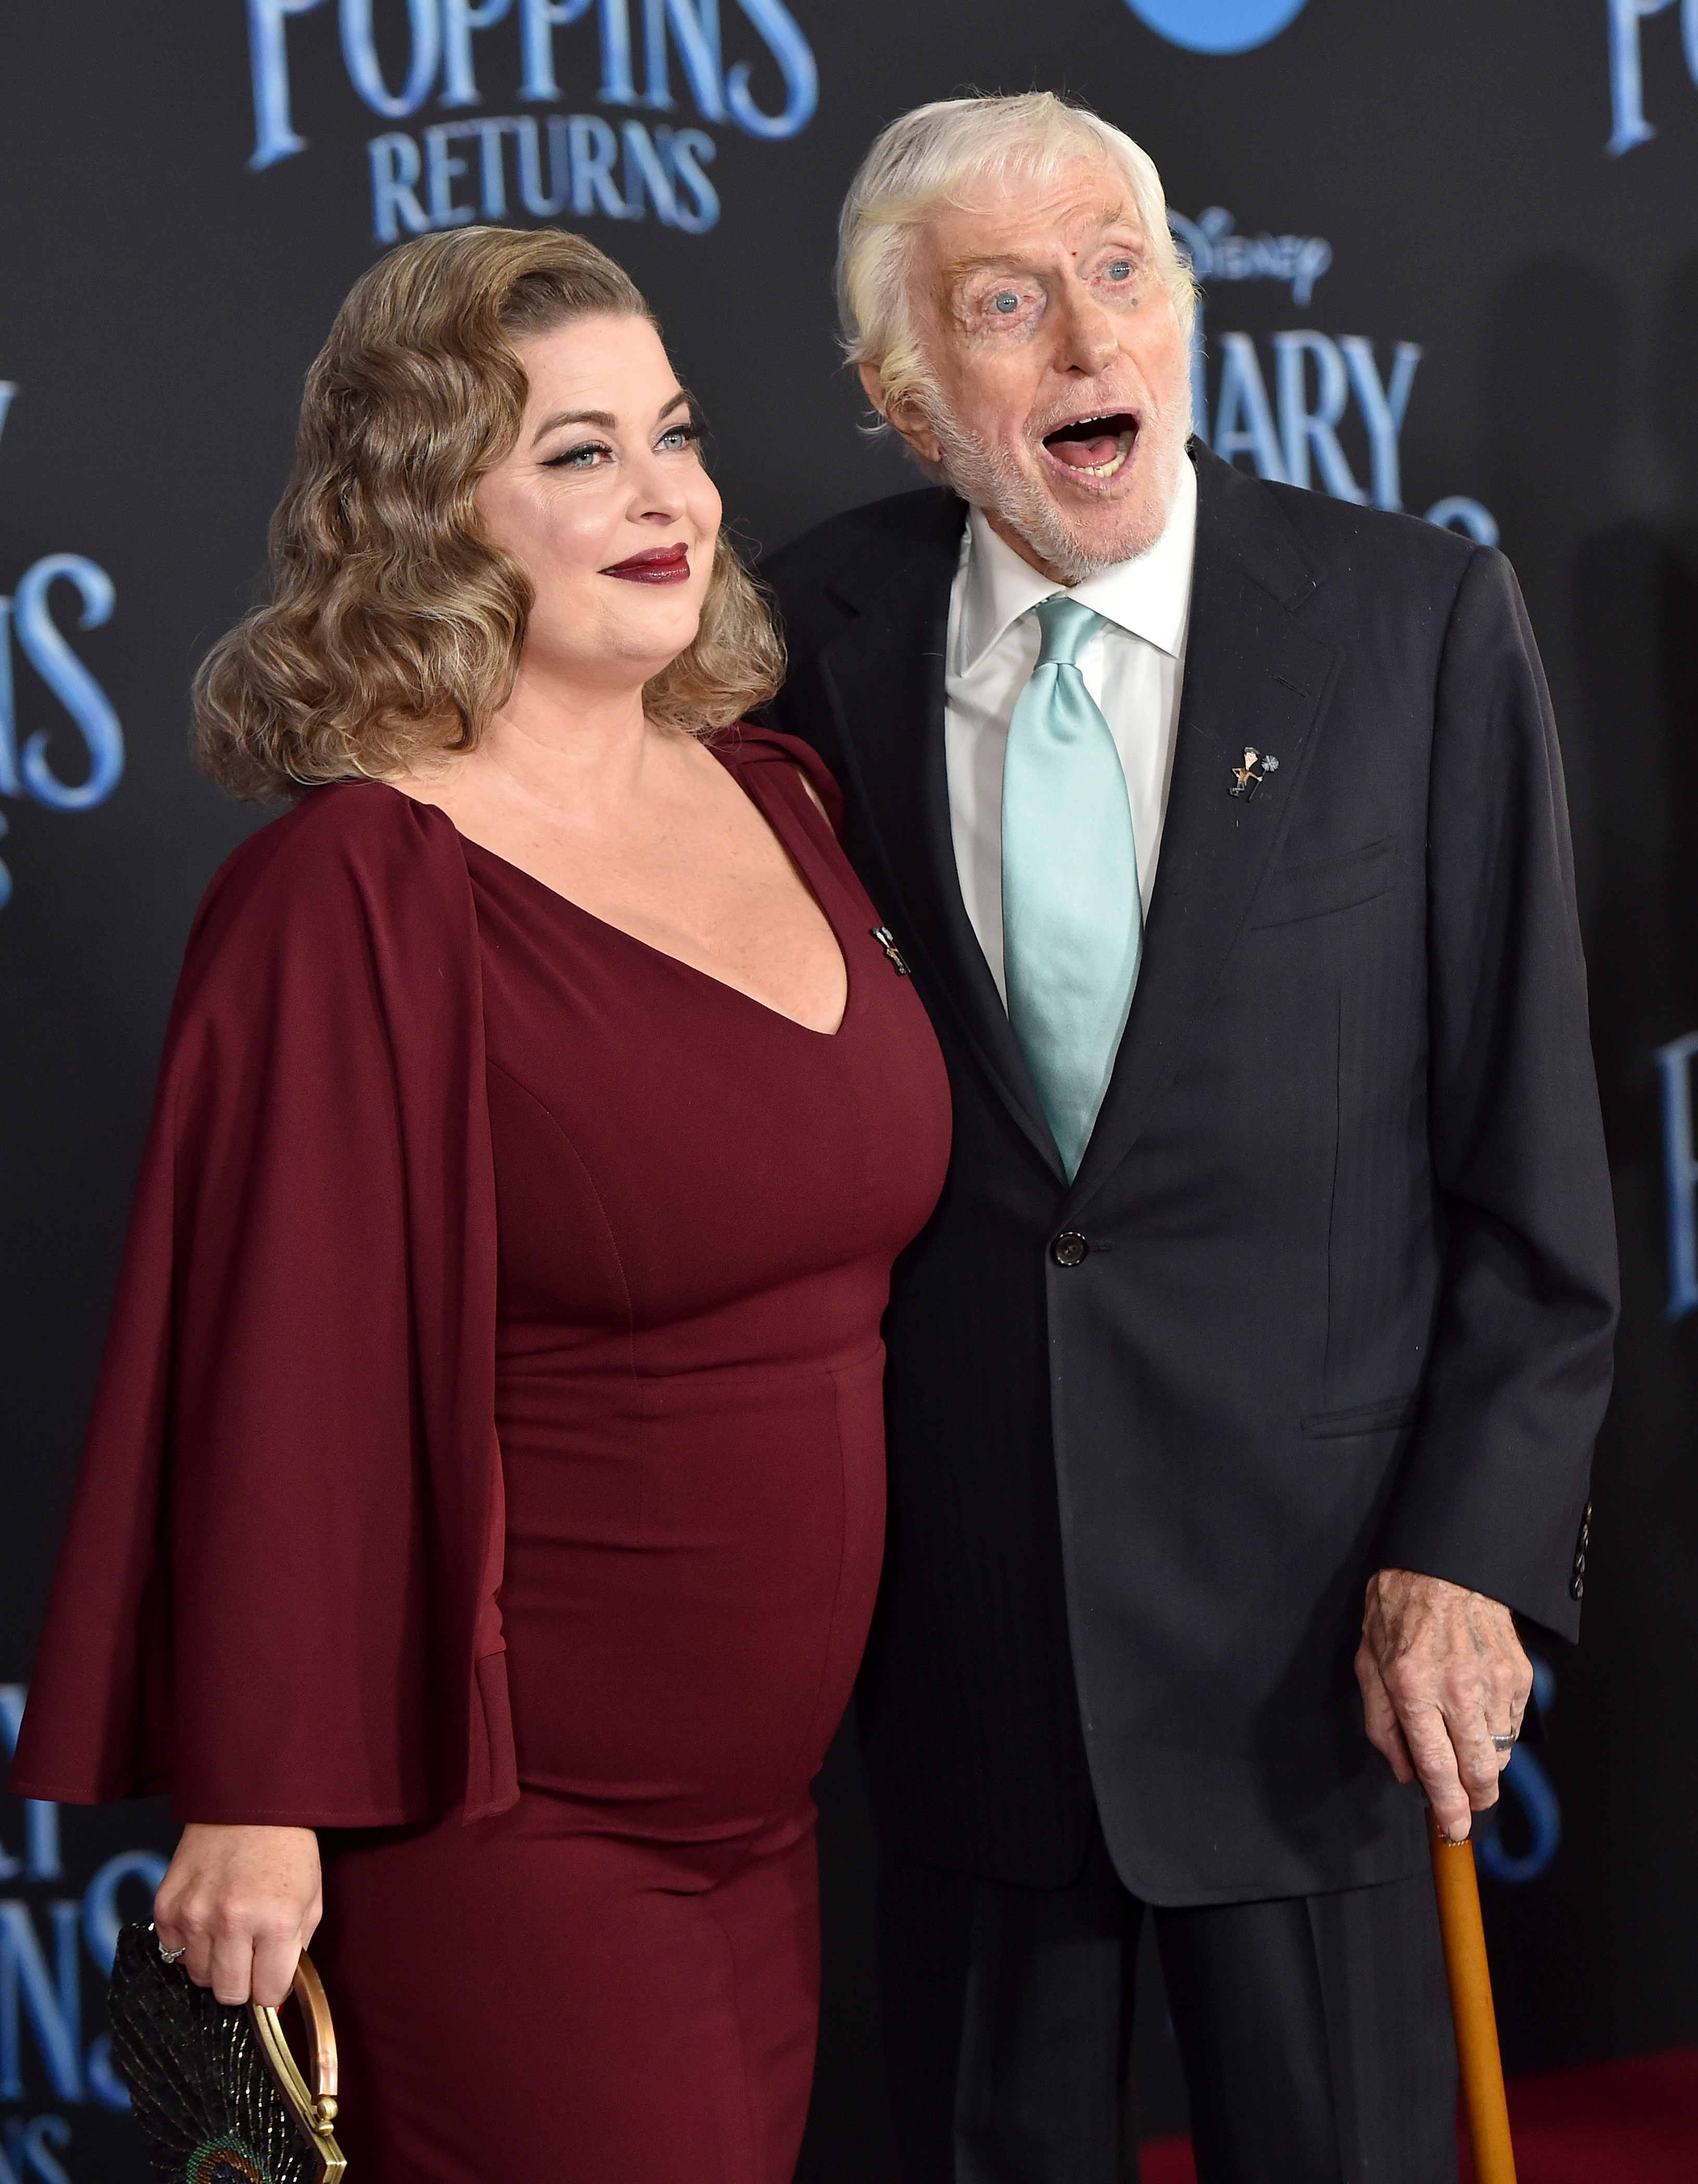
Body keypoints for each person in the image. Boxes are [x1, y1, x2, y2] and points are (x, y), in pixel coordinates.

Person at [8, 225, 951, 2184]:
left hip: (773, 1820)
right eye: (579, 453)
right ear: (440, 512)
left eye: (671, 434)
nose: (664, 493)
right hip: (512, 1831)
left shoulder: (777, 794)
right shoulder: (356, 891)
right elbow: (278, 1368)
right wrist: (261, 1799)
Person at [760, 94, 1617, 2184]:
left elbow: (1533, 1196)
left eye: (1124, 272)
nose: (1087, 340)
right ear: (902, 395)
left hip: (1325, 1667)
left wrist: (1471, 1560)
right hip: (963, 1671)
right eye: (1005, 300)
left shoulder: (1419, 628)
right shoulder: (795, 652)